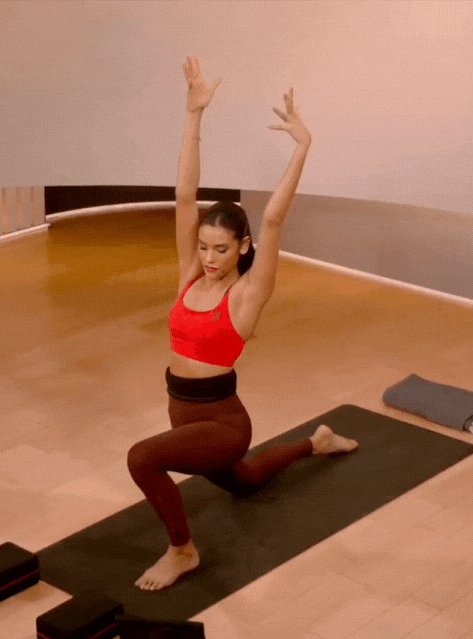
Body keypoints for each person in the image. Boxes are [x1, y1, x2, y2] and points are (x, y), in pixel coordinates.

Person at [126, 56, 359, 592]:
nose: (208, 257)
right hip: (182, 410)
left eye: (221, 249)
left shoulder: (247, 295)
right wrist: (194, 115)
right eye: (204, 246)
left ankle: (182, 551)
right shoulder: (191, 275)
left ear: (243, 248)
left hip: (223, 422)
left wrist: (303, 146)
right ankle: (315, 443)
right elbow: (185, 196)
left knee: (142, 459)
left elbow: (275, 217)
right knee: (245, 480)